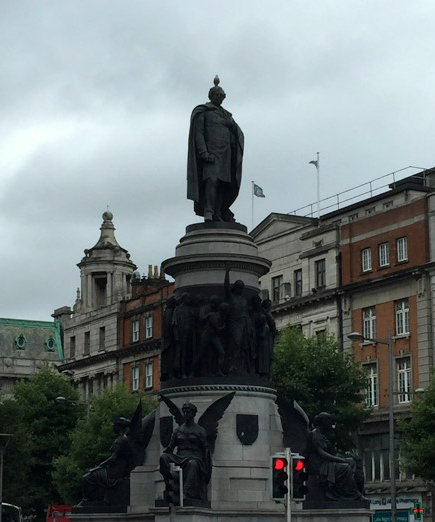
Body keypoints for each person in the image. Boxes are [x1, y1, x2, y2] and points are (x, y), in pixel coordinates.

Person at [187, 76, 244, 222]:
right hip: (211, 154)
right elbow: (198, 133)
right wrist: (203, 152)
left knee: (223, 184)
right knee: (212, 181)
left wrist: (233, 127)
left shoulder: (227, 115)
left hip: (226, 154)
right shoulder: (204, 112)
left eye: (222, 96)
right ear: (211, 96)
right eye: (217, 95)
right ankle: (208, 210)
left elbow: (238, 133)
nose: (220, 98)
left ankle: (218, 212)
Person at [305, 412, 367, 501]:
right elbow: (322, 453)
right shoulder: (314, 434)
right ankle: (352, 494)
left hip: (326, 462)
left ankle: (354, 491)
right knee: (344, 468)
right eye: (329, 422)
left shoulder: (323, 435)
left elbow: (331, 452)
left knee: (352, 462)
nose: (331, 425)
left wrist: (343, 457)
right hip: (318, 465)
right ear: (324, 422)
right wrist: (340, 460)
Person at [160, 403, 211, 501]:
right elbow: (171, 446)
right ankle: (170, 486)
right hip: (180, 456)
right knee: (164, 458)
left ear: (193, 414)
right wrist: (166, 451)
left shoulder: (200, 430)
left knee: (193, 464)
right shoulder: (178, 430)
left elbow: (205, 448)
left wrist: (206, 466)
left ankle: (187, 492)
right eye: (184, 412)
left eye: (188, 412)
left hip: (194, 456)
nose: (185, 414)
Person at [80, 417, 132, 504]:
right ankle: (97, 499)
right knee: (94, 475)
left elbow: (113, 459)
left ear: (118, 427)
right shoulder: (124, 439)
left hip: (114, 472)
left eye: (114, 425)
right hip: (118, 470)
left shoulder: (120, 441)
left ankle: (87, 500)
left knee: (86, 478)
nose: (113, 427)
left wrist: (98, 466)